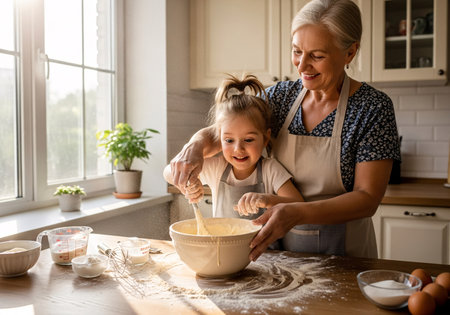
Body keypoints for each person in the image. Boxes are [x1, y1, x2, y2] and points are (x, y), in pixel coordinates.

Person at [169, 0, 401, 261]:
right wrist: (195, 145)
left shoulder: (372, 108)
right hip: (283, 256)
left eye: (317, 55)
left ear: (350, 53)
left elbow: (367, 198)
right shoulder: (280, 97)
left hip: (345, 255)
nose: (302, 66)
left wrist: (298, 211)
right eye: (297, 51)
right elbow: (224, 130)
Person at [164, 74, 304, 219]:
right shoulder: (217, 168)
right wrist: (189, 181)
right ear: (219, 137)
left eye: (248, 140)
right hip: (221, 242)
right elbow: (167, 172)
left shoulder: (271, 170)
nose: (238, 149)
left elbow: (298, 203)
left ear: (265, 138)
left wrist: (267, 200)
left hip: (265, 242)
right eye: (229, 140)